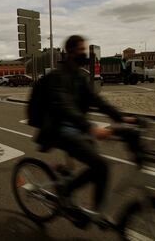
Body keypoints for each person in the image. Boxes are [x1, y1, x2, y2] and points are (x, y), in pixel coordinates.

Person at [35, 35, 140, 215]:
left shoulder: (79, 76)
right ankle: (71, 193)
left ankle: (96, 212)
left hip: (77, 128)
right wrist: (90, 128)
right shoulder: (58, 77)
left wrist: (121, 117)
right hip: (59, 131)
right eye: (81, 50)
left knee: (99, 167)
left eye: (84, 50)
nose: (84, 53)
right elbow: (64, 106)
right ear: (69, 52)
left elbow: (96, 100)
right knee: (101, 166)